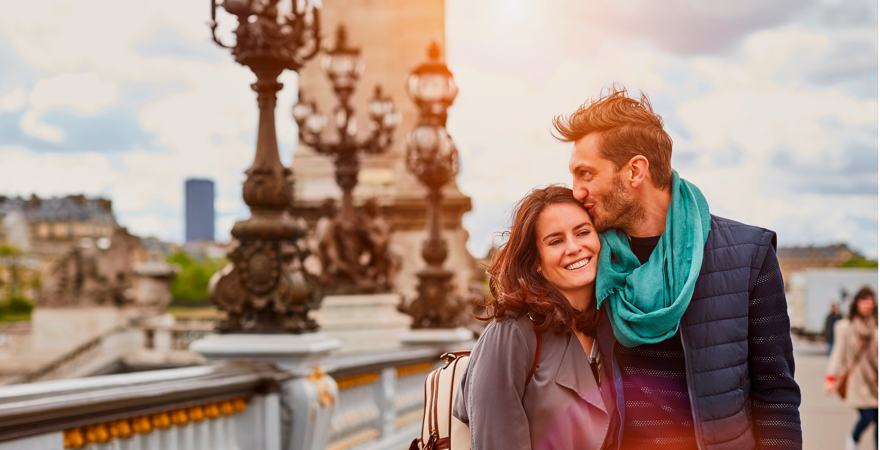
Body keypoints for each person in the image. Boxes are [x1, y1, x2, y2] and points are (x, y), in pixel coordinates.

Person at [553, 87, 802, 449]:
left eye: (586, 174)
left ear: (635, 171)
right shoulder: (585, 262)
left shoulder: (750, 254)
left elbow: (776, 397)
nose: (576, 191)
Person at [454, 186, 614, 450]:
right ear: (536, 262)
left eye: (583, 232)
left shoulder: (608, 327)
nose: (574, 247)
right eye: (555, 241)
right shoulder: (511, 333)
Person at [826, 287, 878, 450]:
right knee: (868, 416)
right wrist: (831, 377)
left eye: (870, 303)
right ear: (857, 304)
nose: (867, 306)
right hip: (857, 380)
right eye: (864, 302)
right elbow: (838, 353)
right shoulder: (845, 327)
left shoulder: (876, 327)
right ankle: (853, 438)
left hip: (875, 380)